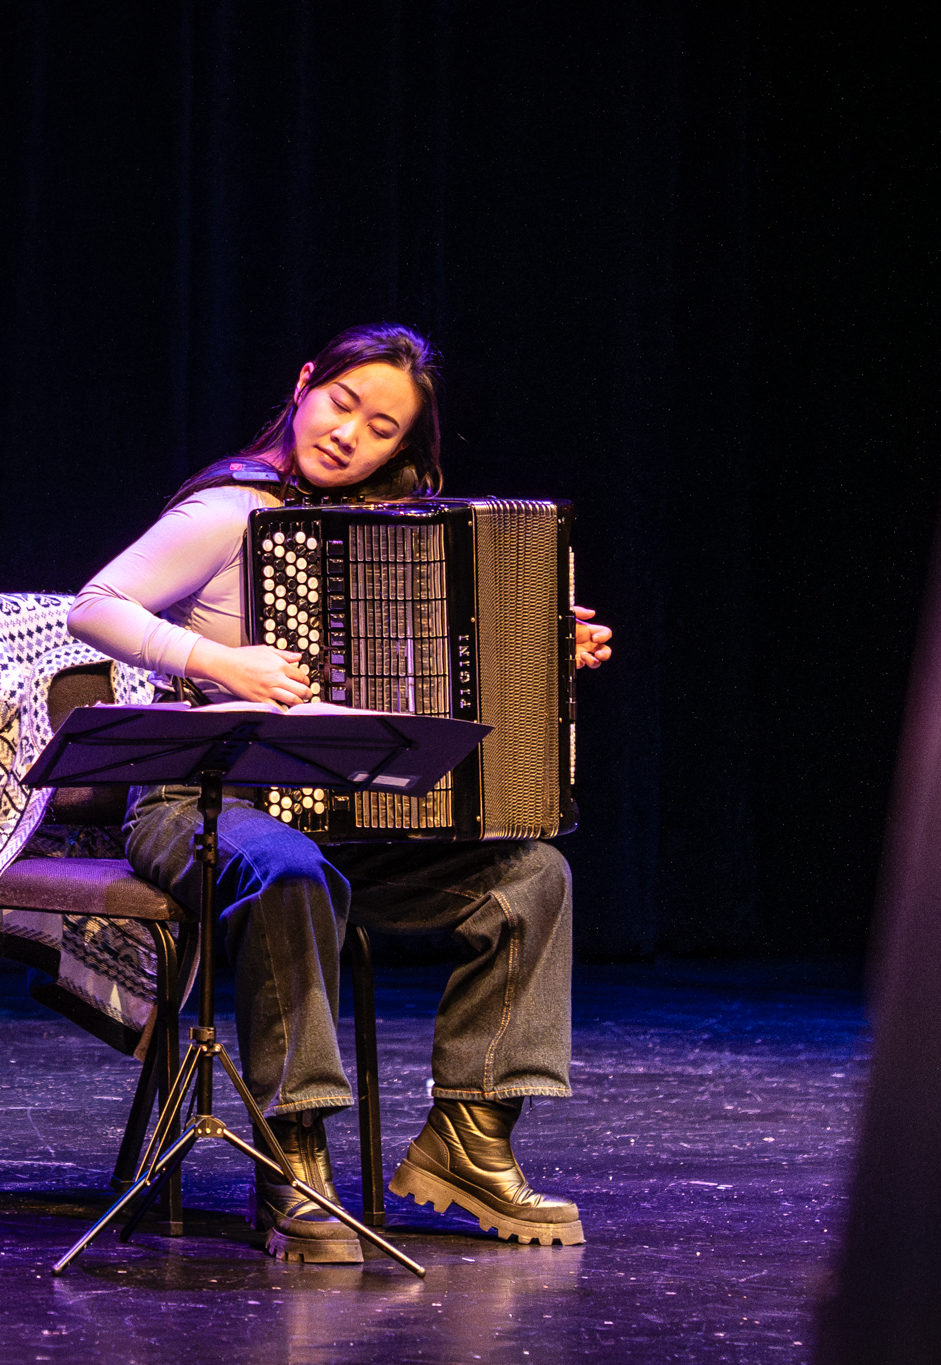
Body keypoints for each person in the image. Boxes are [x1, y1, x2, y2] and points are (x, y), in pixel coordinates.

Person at [67, 323, 613, 1264]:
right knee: (287, 870)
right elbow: (95, 605)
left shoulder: (387, 531)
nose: (349, 434)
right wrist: (218, 661)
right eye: (342, 403)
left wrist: (540, 640)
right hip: (196, 798)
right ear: (304, 384)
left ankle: (469, 1138)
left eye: (382, 428)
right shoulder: (232, 510)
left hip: (335, 809)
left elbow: (434, 663)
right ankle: (293, 1152)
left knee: (532, 876)